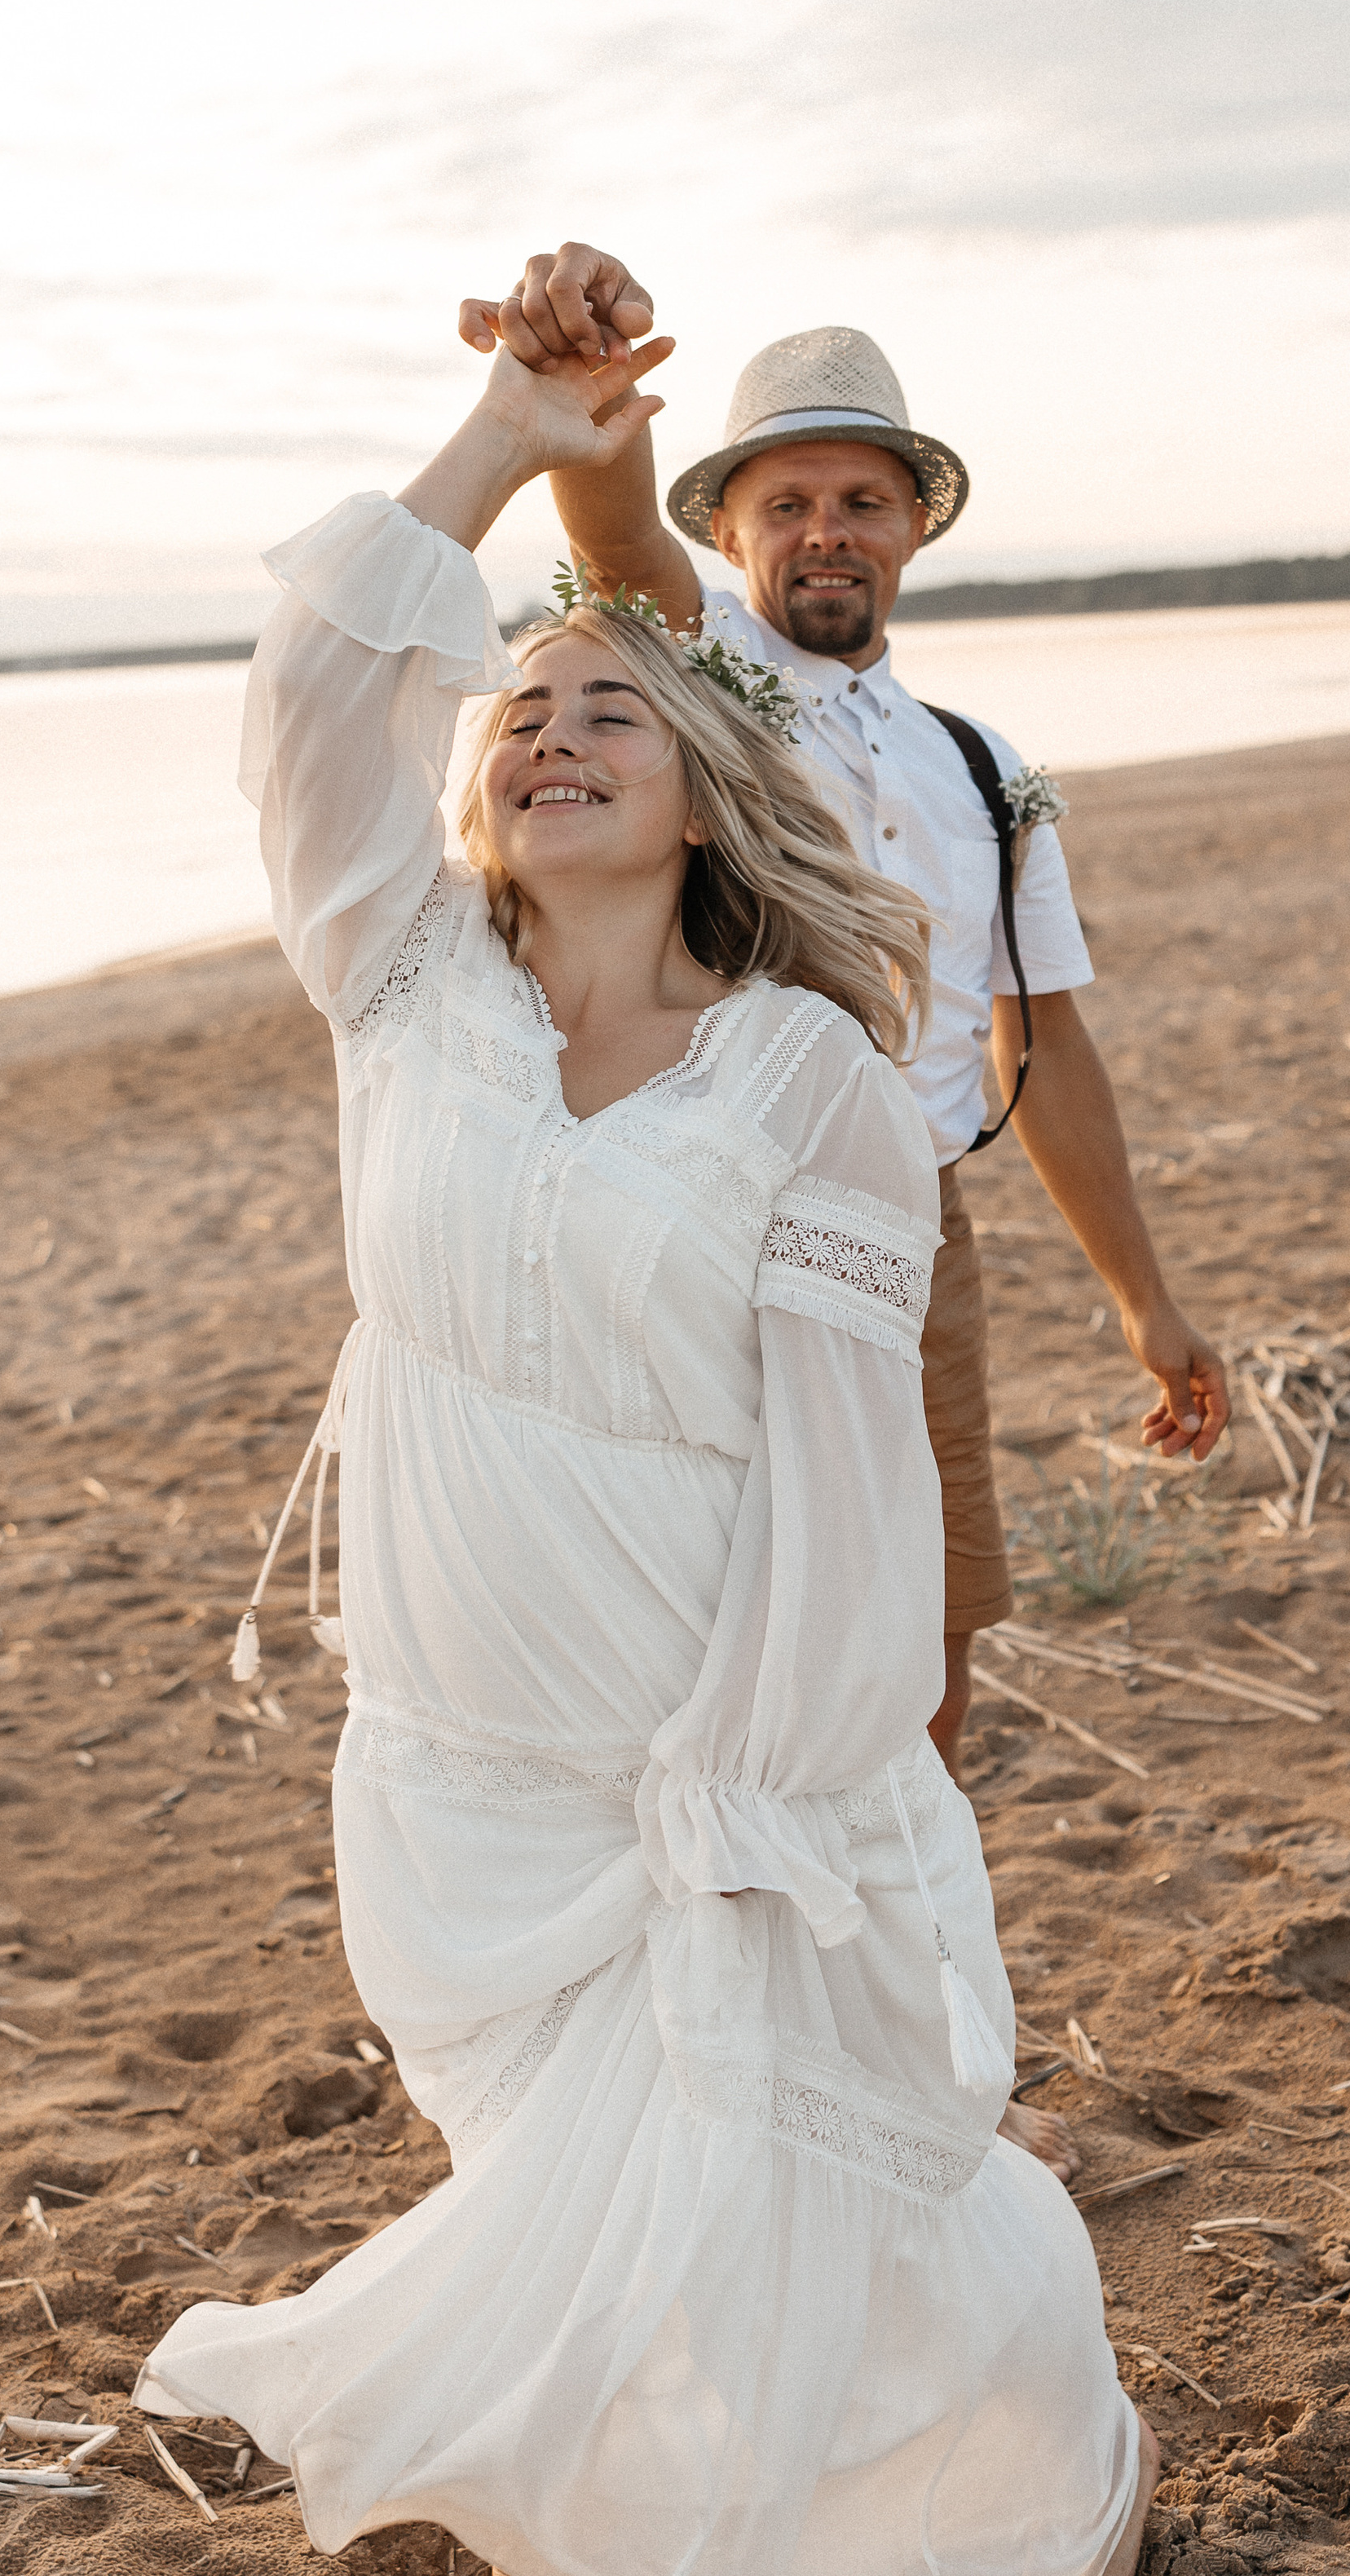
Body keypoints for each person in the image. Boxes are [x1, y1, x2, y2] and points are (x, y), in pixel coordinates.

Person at [134, 325, 1156, 2576]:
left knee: (727, 2130)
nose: (552, 732)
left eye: (609, 712)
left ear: (699, 792)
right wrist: (505, 439)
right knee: (547, 2152)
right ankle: (589, 2522)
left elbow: (842, 1465)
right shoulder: (406, 992)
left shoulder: (805, 1071)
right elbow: (311, 697)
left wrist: (766, 1768)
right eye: (518, 719)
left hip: (699, 1714)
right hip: (460, 1733)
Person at [459, 250, 1232, 1793]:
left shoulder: (982, 765)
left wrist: (1145, 1301)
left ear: (915, 527)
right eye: (788, 503)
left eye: (862, 501)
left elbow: (1045, 1051)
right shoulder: (692, 683)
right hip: (696, 1208)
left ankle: (885, 1922)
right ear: (733, 531)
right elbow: (614, 553)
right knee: (694, 1620)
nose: (826, 531)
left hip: (909, 1228)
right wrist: (593, 407)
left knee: (928, 1619)